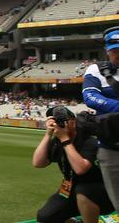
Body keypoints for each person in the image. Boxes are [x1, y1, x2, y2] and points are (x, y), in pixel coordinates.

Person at [32, 106, 114, 222]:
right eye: (55, 120)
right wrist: (48, 134)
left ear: (73, 122)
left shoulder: (89, 141)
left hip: (100, 192)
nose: (57, 123)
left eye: (61, 120)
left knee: (83, 191)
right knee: (45, 217)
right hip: (69, 188)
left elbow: (80, 169)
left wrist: (65, 139)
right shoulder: (57, 141)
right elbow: (38, 163)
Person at [82, 26, 119, 210]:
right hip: (111, 146)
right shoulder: (96, 70)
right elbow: (90, 98)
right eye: (115, 51)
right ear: (107, 51)